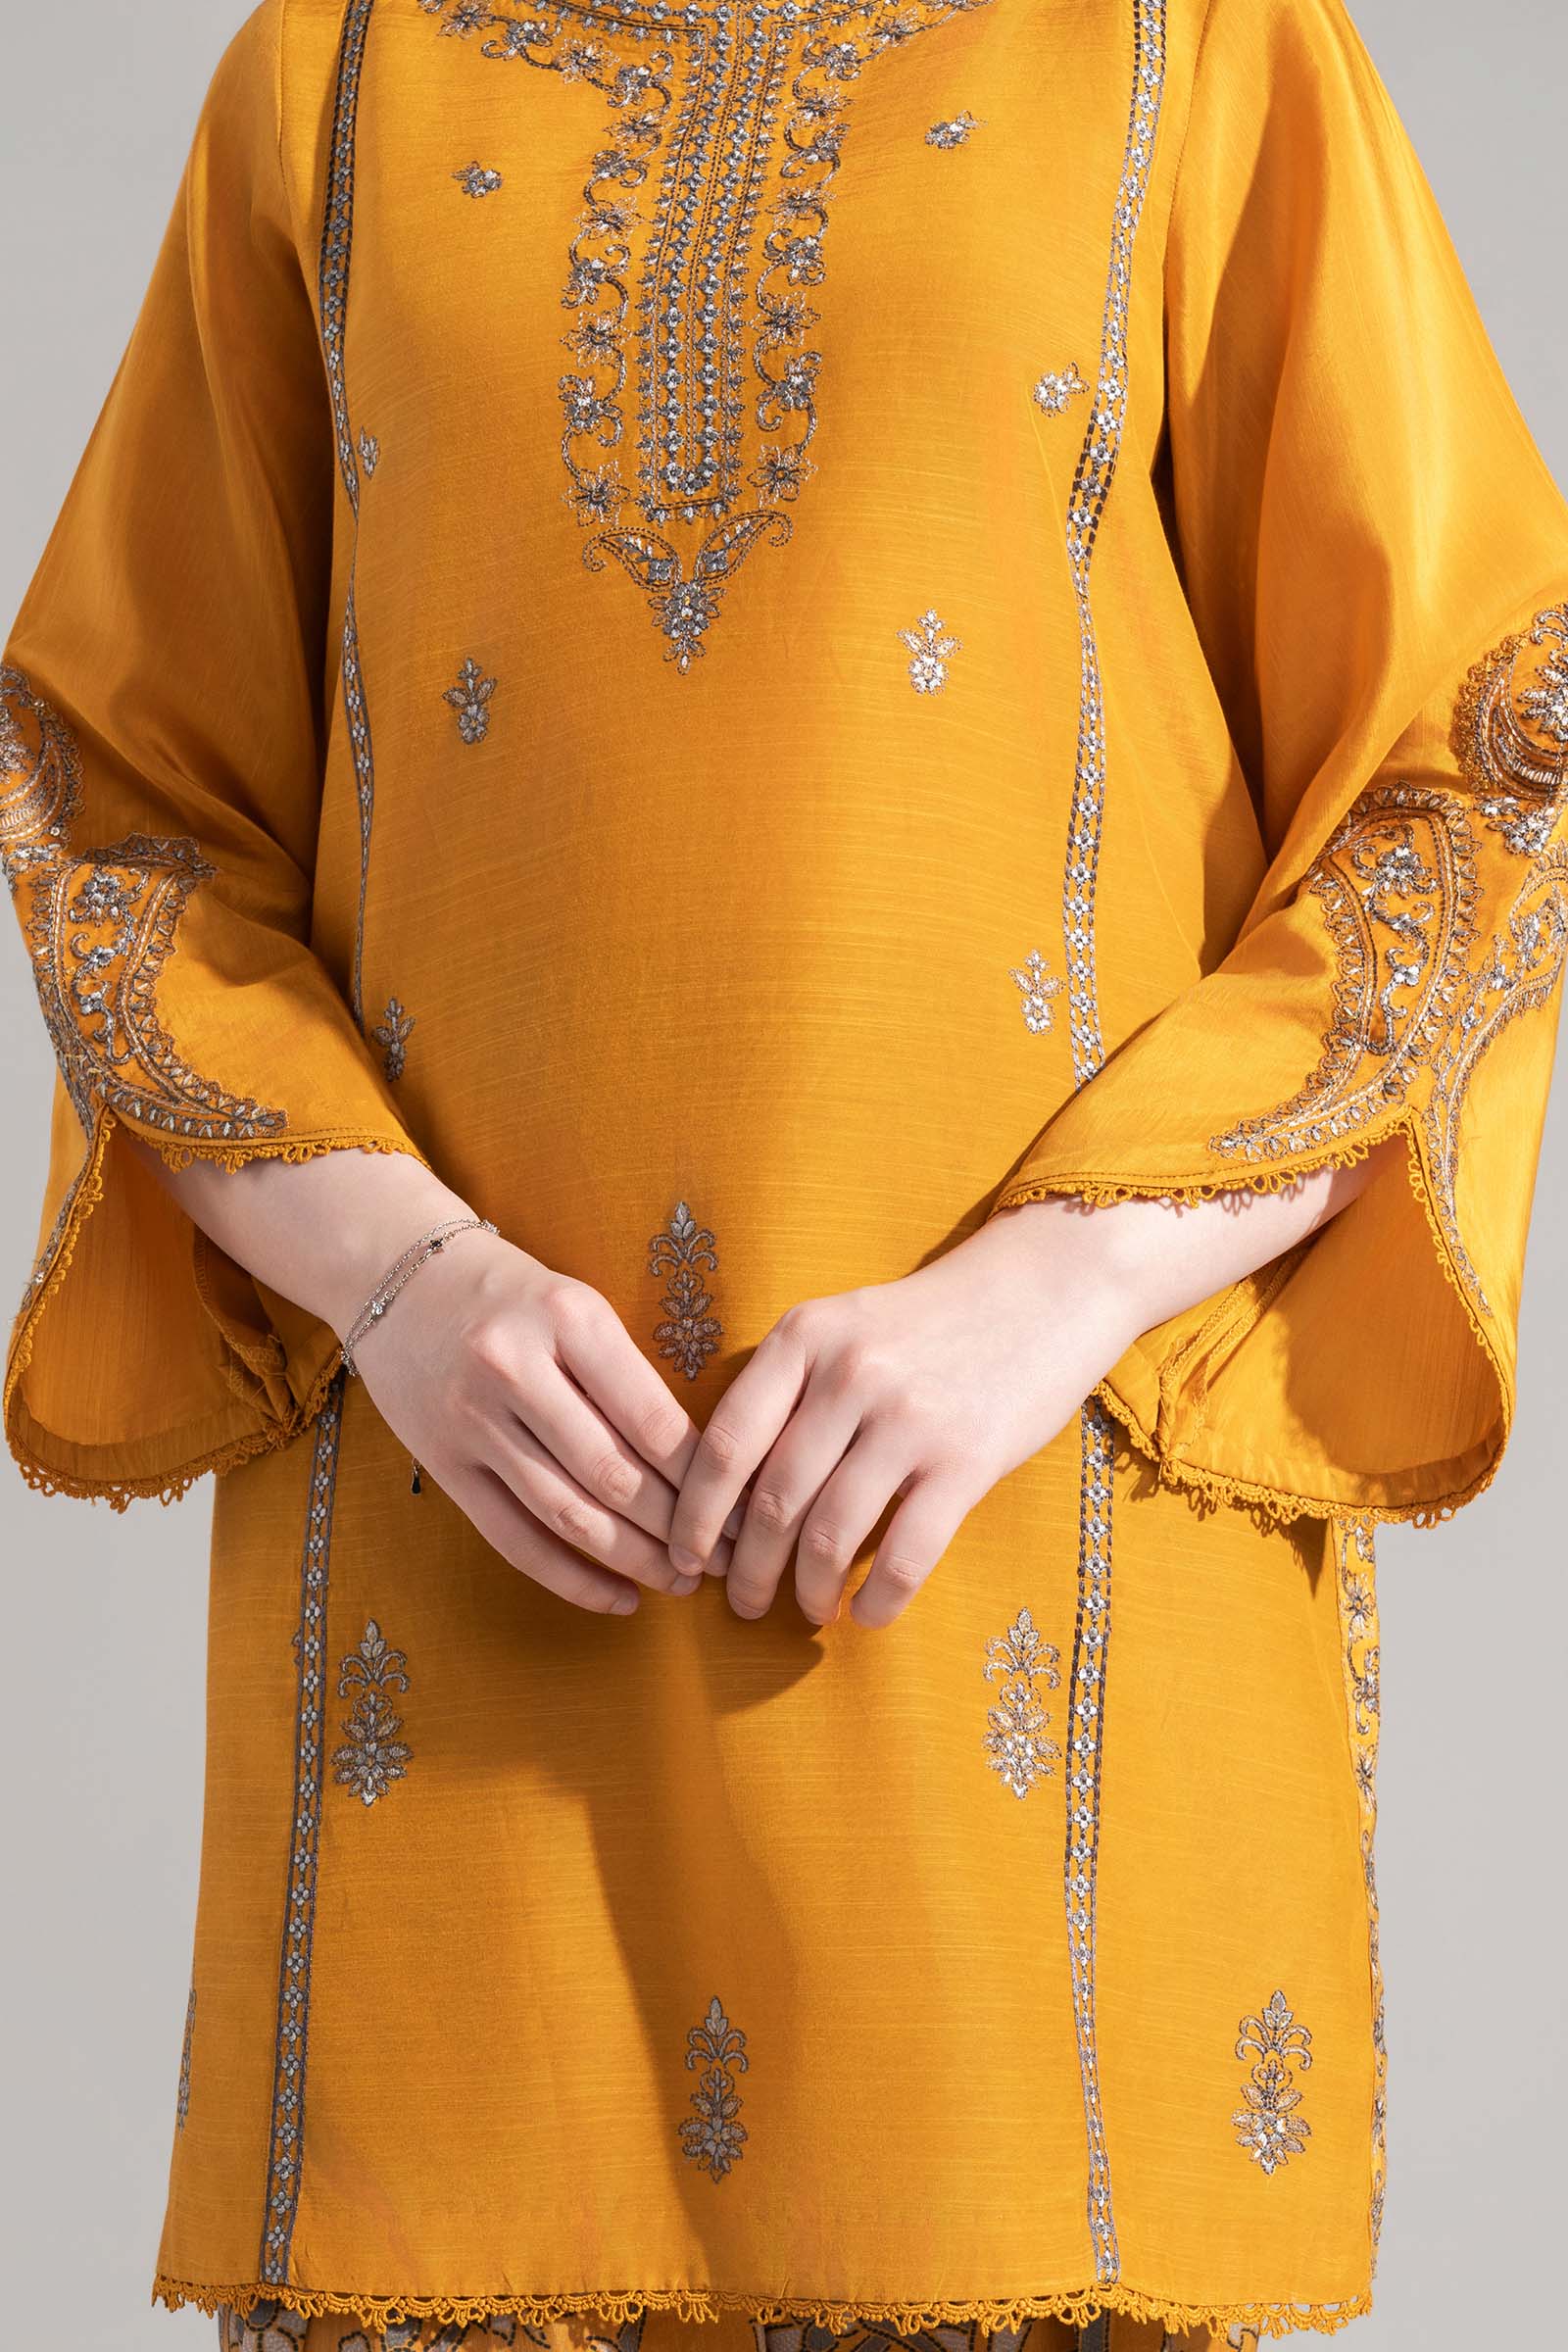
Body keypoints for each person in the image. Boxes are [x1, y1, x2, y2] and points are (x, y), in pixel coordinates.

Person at [3, 0, 1565, 2343]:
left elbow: (1479, 761)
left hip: (1013, 1555)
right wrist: (399, 1278)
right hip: (466, 1581)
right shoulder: (331, 78)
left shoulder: (1191, 45)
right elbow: (115, 804)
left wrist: (1048, 1289)